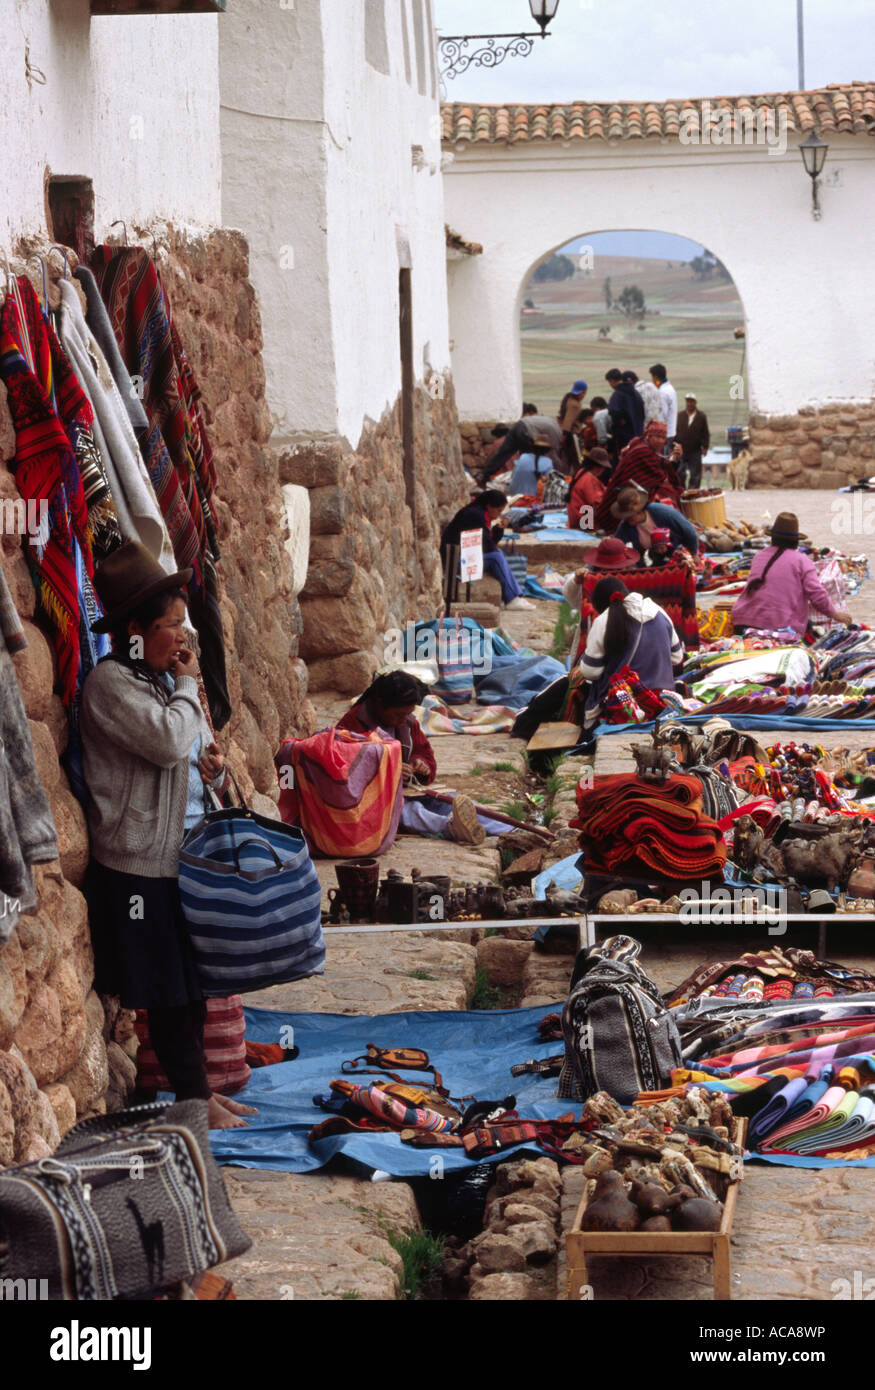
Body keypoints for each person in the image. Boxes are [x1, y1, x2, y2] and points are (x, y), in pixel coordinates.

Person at [80, 541, 257, 1131]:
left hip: (184, 858)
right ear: (134, 630)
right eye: (170, 626)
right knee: (167, 991)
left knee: (192, 985)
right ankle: (191, 1102)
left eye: (185, 624)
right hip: (138, 867)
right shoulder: (111, 685)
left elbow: (194, 747)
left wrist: (216, 771)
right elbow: (163, 740)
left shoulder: (163, 681)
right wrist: (186, 690)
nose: (183, 637)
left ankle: (198, 1092)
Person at [337, 669, 487, 844]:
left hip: (408, 791)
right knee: (408, 811)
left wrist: (420, 763)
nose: (403, 719)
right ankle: (451, 827)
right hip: (373, 801)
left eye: (407, 714)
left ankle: (506, 828)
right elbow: (345, 774)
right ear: (379, 703)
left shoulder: (407, 722)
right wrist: (389, 772)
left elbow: (424, 752)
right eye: (398, 714)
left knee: (450, 801)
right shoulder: (351, 727)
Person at [577, 576, 684, 733]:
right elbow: (677, 657)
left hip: (623, 704)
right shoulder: (660, 612)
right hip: (662, 702)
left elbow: (590, 672)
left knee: (571, 682)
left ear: (601, 604)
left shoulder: (602, 621)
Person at [732, 513, 852, 637]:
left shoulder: (759, 556)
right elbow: (816, 594)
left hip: (741, 621)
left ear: (772, 538)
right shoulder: (802, 561)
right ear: (795, 541)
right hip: (777, 626)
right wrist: (835, 614)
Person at [440, 490, 535, 610]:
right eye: (498, 510)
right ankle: (512, 599)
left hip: (462, 557)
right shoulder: (474, 515)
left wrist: (499, 529)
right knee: (496, 557)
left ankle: (515, 596)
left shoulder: (479, 513)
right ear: (489, 506)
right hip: (454, 563)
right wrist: (497, 531)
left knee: (497, 554)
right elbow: (487, 546)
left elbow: (487, 542)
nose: (499, 514)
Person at [611, 486, 700, 558]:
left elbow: (689, 531)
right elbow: (616, 543)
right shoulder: (626, 525)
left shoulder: (662, 512)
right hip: (655, 557)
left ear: (639, 510)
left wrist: (694, 554)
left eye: (629, 515)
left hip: (680, 552)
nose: (625, 519)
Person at [480, 413, 562, 485]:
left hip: (518, 425)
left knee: (503, 453)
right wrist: (562, 475)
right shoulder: (557, 436)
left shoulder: (554, 425)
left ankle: (484, 475)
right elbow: (552, 457)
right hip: (525, 431)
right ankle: (529, 486)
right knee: (532, 460)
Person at [567, 447, 612, 528]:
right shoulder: (589, 479)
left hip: (575, 518)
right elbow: (597, 502)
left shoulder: (581, 472)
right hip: (584, 523)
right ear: (598, 467)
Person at [675, 392, 710, 490]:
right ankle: (681, 491)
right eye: (688, 401)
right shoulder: (679, 415)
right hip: (681, 449)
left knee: (695, 474)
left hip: (695, 449)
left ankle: (693, 492)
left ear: (695, 403)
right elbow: (675, 431)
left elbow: (705, 432)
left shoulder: (701, 416)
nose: (689, 404)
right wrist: (673, 446)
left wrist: (705, 447)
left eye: (691, 401)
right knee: (680, 472)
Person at [605, 368, 644, 455]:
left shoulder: (617, 395)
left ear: (611, 381)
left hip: (624, 437)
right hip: (639, 434)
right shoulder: (636, 393)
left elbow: (613, 412)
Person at [649, 363, 677, 451]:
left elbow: (661, 415)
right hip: (670, 431)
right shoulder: (670, 388)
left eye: (652, 377)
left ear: (656, 377)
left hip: (664, 434)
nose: (652, 380)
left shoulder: (662, 392)